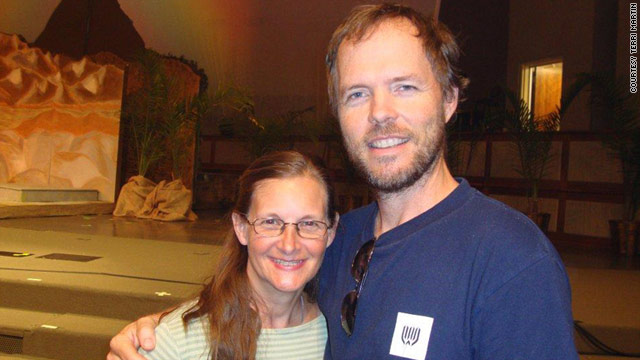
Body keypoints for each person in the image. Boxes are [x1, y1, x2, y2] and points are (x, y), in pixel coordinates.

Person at [109, 4, 578, 359]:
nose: (379, 113)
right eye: (358, 94)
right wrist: (163, 335)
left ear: (450, 99)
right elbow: (258, 297)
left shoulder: (511, 262)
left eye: (404, 86)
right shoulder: (335, 242)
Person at [114, 150, 338, 360]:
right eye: (270, 222)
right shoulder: (176, 343)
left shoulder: (340, 336)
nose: (289, 245)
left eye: (309, 223)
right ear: (241, 227)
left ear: (331, 231)